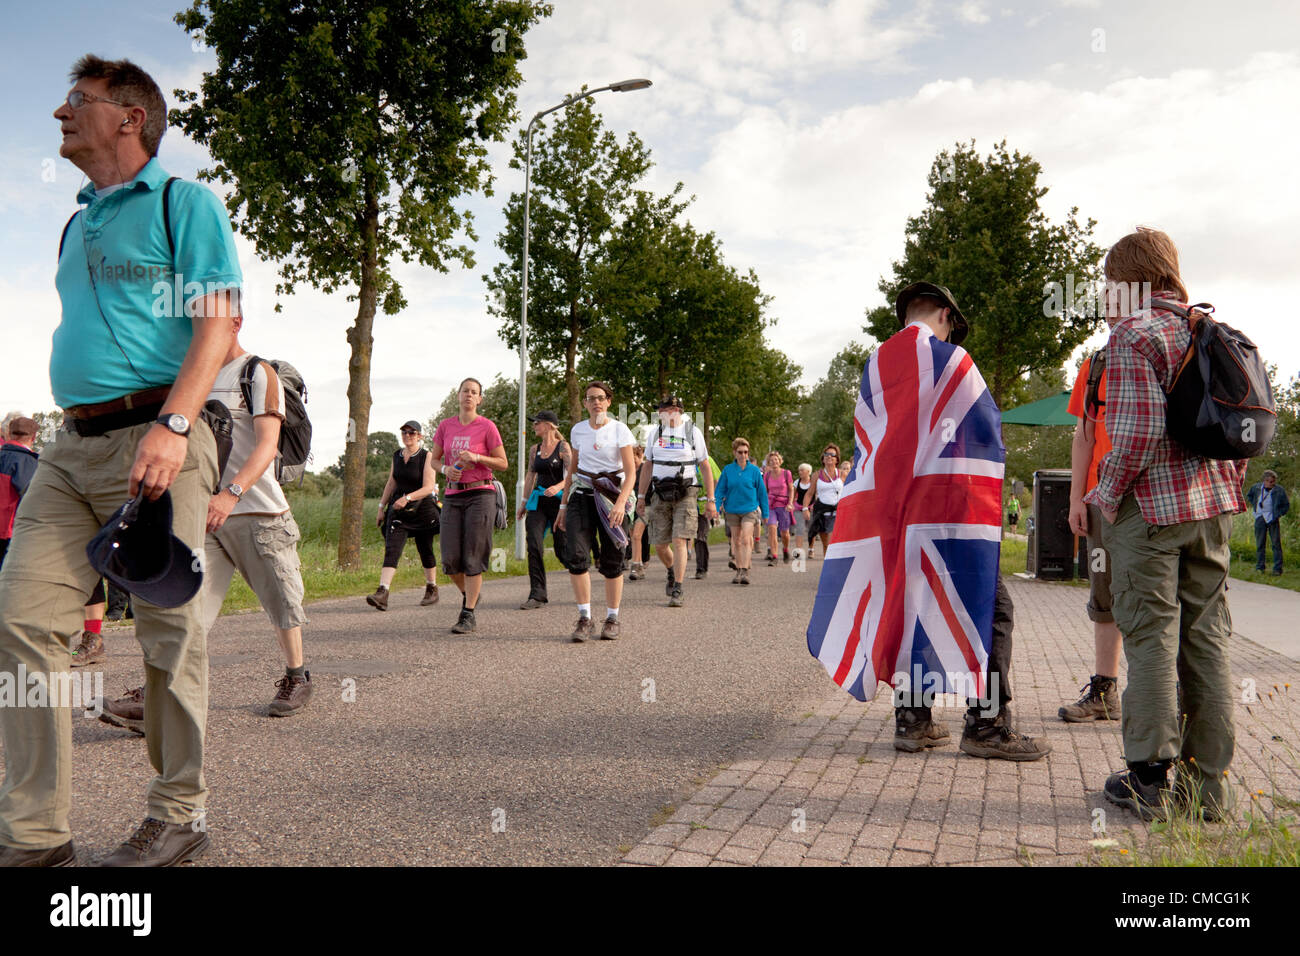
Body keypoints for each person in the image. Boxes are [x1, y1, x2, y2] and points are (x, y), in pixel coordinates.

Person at [0, 56, 239, 868]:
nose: (62, 113)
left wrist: (173, 424)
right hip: (70, 448)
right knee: (24, 621)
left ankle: (180, 812)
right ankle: (33, 836)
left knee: (169, 633)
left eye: (79, 101)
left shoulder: (184, 204)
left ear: (129, 117)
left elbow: (219, 327)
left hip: (161, 437)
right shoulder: (76, 222)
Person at [807, 281, 1049, 761]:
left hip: (892, 516)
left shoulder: (875, 368)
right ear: (944, 315)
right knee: (992, 607)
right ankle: (987, 724)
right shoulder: (953, 362)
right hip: (943, 514)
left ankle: (912, 720)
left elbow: (869, 444)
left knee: (910, 601)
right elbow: (983, 437)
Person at [1085, 228, 1246, 821]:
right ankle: (1209, 791)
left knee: (1152, 635)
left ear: (1129, 282)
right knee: (1207, 639)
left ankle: (1149, 781)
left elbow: (1135, 435)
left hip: (1149, 513)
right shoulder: (1212, 332)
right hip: (1210, 514)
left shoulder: (1133, 336)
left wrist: (1106, 494)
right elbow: (1244, 427)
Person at [199, 327, 313, 714]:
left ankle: (297, 677)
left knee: (282, 603)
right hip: (206, 515)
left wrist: (230, 494)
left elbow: (267, 444)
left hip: (258, 510)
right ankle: (160, 693)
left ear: (233, 319)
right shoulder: (194, 374)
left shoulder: (256, 372)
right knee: (186, 608)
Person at [1062, 310, 1124, 723]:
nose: (1108, 310)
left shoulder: (1171, 353)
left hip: (1154, 500)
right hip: (1101, 498)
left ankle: (1169, 700)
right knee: (1104, 596)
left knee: (1160, 601)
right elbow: (1084, 435)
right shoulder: (1096, 363)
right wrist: (1075, 499)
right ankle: (1105, 691)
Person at [556, 381, 636, 641]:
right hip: (581, 494)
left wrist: (622, 503)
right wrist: (563, 505)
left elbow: (631, 471)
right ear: (586, 403)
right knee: (576, 555)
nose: (596, 403)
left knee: (613, 558)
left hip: (612, 495)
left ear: (608, 402)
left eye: (600, 398)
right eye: (591, 399)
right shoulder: (578, 430)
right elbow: (573, 469)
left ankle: (612, 617)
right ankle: (584, 617)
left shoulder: (619, 429)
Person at [431, 378, 507, 634]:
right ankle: (470, 594)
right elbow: (434, 459)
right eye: (465, 391)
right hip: (453, 495)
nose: (469, 395)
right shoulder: (446, 426)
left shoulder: (486, 426)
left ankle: (468, 613)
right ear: (458, 395)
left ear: (479, 399)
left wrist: (477, 457)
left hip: (480, 494)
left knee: (473, 555)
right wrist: (445, 469)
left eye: (474, 392)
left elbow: (502, 463)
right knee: (450, 559)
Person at [637, 396, 716, 608]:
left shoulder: (692, 432)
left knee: (680, 540)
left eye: (662, 410)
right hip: (660, 493)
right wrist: (641, 496)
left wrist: (711, 499)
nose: (659, 414)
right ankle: (671, 570)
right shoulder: (656, 433)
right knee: (661, 545)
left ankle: (678, 587)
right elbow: (647, 466)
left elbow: (705, 466)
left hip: (686, 493)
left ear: (674, 410)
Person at [367, 420, 441, 611]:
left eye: (412, 432)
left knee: (425, 548)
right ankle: (383, 592)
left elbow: (428, 487)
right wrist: (381, 507)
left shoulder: (427, 456)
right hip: (399, 509)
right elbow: (391, 483)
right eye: (404, 432)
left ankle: (431, 587)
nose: (408, 436)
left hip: (422, 509)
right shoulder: (397, 456)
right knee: (392, 548)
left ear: (420, 436)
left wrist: (407, 498)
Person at [517, 410, 570, 609]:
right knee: (534, 543)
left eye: (537, 423)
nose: (534, 426)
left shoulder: (563, 447)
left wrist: (558, 486)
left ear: (549, 425)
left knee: (562, 550)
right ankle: (537, 594)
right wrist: (523, 503)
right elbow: (531, 475)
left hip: (558, 503)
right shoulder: (535, 449)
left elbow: (573, 473)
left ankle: (579, 570)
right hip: (538, 501)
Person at [714, 438, 768, 585]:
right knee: (736, 541)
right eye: (740, 452)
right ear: (734, 453)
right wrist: (716, 506)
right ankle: (738, 569)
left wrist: (766, 513)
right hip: (732, 509)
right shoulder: (727, 470)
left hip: (750, 509)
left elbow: (762, 493)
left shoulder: (755, 471)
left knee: (745, 538)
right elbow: (720, 491)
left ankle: (745, 570)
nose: (743, 455)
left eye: (745, 452)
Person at [0, 417, 40, 570]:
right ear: (34, 437)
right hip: (10, 532)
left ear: (9, 434)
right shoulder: (28, 462)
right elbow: (32, 498)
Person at [804, 445, 844, 557]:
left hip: (838, 512)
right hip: (822, 513)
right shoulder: (817, 475)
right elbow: (809, 493)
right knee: (826, 544)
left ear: (837, 459)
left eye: (832, 455)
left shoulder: (842, 474)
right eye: (826, 454)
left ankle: (835, 568)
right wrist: (805, 508)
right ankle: (828, 569)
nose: (829, 456)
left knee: (833, 542)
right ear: (823, 458)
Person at [1246, 470, 1289, 575]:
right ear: (1264, 480)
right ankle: (1260, 567)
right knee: (1260, 544)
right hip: (1260, 517)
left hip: (1272, 518)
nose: (1272, 483)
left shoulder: (1279, 490)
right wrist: (1256, 507)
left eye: (1273, 481)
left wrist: (1278, 514)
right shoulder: (1256, 488)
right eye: (1270, 481)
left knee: (1276, 544)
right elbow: (1249, 496)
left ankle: (1277, 569)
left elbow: (1286, 505)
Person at [692, 454, 722, 579]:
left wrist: (712, 501)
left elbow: (716, 480)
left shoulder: (707, 459)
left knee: (700, 536)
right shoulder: (683, 457)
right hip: (688, 503)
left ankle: (702, 568)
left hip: (703, 504)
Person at [762, 451, 794, 565]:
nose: (774, 462)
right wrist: (763, 506)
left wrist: (790, 503)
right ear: (768, 463)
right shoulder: (767, 476)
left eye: (776, 460)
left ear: (780, 461)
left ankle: (785, 549)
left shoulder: (787, 473)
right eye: (771, 460)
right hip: (771, 505)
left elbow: (791, 489)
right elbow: (764, 492)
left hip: (783, 505)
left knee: (785, 533)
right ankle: (774, 556)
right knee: (772, 529)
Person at [627, 444, 650, 580]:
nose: (633, 460)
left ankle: (635, 566)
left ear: (640, 456)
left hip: (645, 506)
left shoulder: (645, 469)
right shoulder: (628, 470)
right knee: (633, 536)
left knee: (636, 535)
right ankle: (640, 564)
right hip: (630, 507)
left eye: (635, 457)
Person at [791, 462, 813, 560]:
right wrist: (790, 503)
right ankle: (799, 551)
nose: (800, 472)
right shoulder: (797, 482)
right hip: (799, 508)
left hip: (811, 508)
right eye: (799, 470)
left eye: (802, 470)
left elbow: (817, 494)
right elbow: (793, 494)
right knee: (799, 529)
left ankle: (811, 549)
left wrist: (815, 505)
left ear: (808, 472)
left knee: (811, 530)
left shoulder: (813, 482)